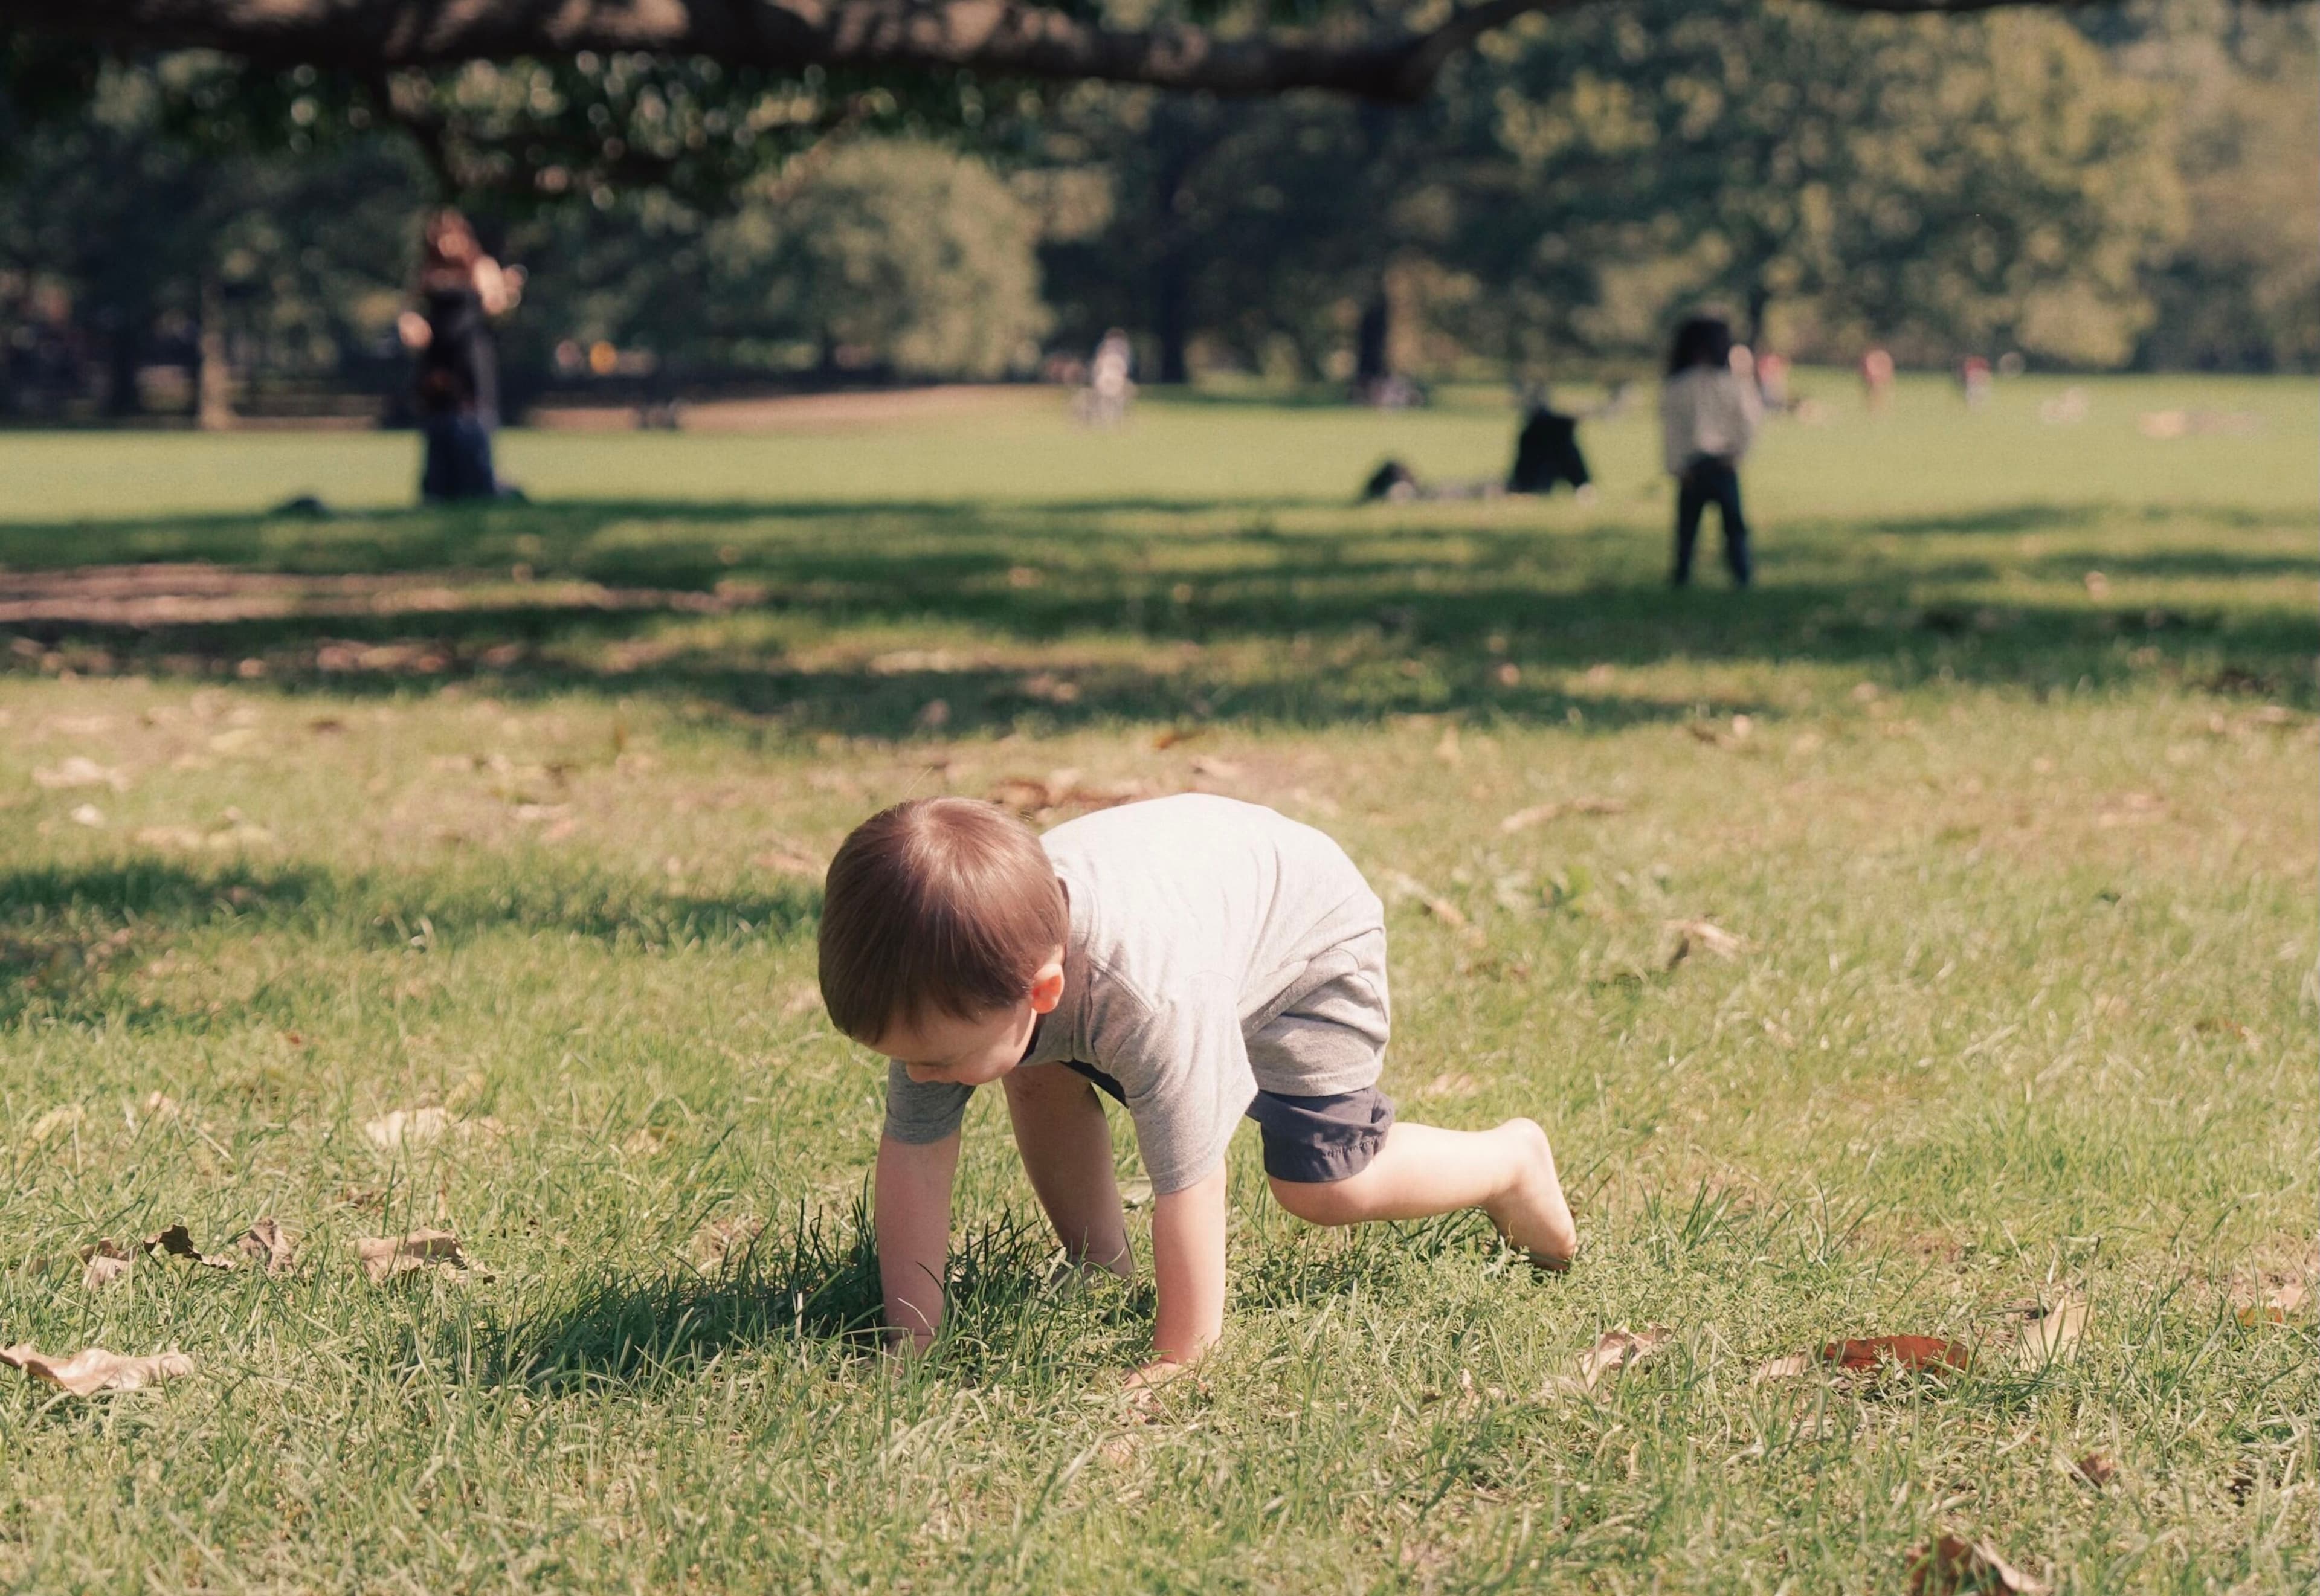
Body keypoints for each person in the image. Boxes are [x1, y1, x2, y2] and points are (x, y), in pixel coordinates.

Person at [819, 794, 1577, 1380]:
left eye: (940, 1060)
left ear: (1041, 988)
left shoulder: (1150, 999)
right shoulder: (947, 973)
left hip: (1306, 938)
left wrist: (1181, 1357)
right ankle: (1097, 1262)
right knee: (1029, 1066)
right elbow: (916, 1153)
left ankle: (1510, 1161)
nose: (922, 1076)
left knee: (1325, 1187)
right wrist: (910, 1341)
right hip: (1203, 896)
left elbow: (1191, 1179)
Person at [396, 209, 523, 501]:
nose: (443, 244)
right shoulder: (427, 272)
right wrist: (411, 326)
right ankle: (440, 487)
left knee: (472, 416)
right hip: (437, 355)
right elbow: (409, 310)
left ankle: (478, 483)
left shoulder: (480, 267)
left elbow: (495, 308)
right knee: (439, 417)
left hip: (468, 353)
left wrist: (505, 293)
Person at [1660, 315, 1761, 588]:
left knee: (1723, 525)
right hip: (1706, 464)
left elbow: (1747, 422)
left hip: (1712, 463)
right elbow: (1749, 421)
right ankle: (1729, 575)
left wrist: (1677, 466)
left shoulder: (1687, 386)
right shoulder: (1693, 386)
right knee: (1702, 526)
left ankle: (1738, 574)